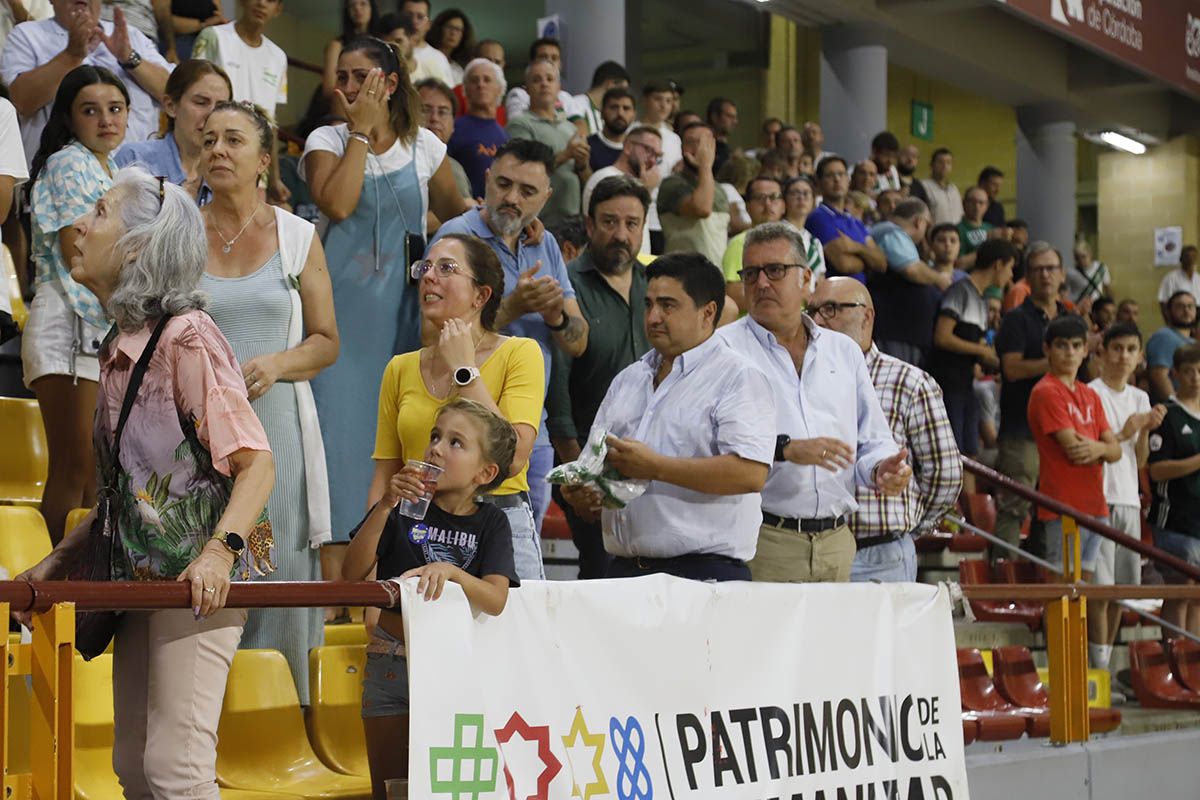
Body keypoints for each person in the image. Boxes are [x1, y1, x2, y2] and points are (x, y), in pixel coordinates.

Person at [15, 165, 275, 798]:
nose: (80, 224)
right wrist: (55, 562)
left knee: (174, 768)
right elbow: (123, 496)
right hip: (139, 578)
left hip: (201, 579)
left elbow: (256, 463)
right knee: (133, 765)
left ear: (136, 248)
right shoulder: (118, 345)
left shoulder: (187, 337)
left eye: (99, 212)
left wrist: (220, 553)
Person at [301, 35, 471, 562]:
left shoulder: (425, 146)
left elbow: (458, 214)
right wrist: (359, 134)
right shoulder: (326, 139)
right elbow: (338, 202)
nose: (346, 86)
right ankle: (329, 591)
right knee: (336, 447)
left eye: (360, 77)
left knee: (393, 445)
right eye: (343, 77)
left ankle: (381, 582)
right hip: (336, 322)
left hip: (399, 321)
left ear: (390, 83)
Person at [198, 100, 338, 702]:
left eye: (233, 140)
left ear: (264, 159)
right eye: (208, 140)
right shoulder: (177, 229)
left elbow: (328, 342)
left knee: (275, 580)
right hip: (194, 438)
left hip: (275, 432)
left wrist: (279, 363)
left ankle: (284, 727)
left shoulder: (298, 235)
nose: (218, 150)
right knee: (203, 584)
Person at [716, 223, 910, 583]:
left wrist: (881, 467)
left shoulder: (844, 351)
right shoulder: (722, 350)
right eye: (751, 273)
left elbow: (871, 439)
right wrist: (786, 449)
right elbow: (712, 447)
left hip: (838, 540)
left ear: (806, 278)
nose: (761, 283)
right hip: (764, 538)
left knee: (835, 642)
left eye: (775, 271)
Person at [344, 398, 517, 798]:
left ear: (484, 472)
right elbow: (351, 574)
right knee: (392, 789)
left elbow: (495, 598)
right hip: (390, 663)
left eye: (456, 443)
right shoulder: (402, 509)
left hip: (455, 669)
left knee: (447, 788)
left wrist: (453, 573)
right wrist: (385, 504)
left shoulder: (493, 522)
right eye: (435, 436)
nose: (436, 447)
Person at [430, 138, 588, 541]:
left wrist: (554, 314)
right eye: (503, 185)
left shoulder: (545, 243)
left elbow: (578, 340)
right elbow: (434, 333)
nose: (512, 199)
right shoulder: (457, 239)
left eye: (528, 191)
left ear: (546, 197)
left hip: (532, 429)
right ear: (487, 179)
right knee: (459, 551)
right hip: (465, 428)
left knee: (520, 568)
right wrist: (514, 306)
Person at [587, 252, 774, 581]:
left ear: (708, 312)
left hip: (704, 574)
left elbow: (749, 473)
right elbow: (595, 462)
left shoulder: (738, 377)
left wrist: (655, 467)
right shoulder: (629, 379)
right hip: (623, 570)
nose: (654, 316)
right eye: (648, 304)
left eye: (668, 305)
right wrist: (587, 489)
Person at [372, 235, 545, 581]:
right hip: (418, 528)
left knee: (512, 634)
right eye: (425, 267)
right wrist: (374, 570)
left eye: (446, 268)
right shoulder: (400, 368)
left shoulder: (520, 353)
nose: (429, 277)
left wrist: (464, 371)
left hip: (500, 524)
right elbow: (384, 479)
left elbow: (512, 458)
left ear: (481, 295)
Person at [23, 66, 129, 544]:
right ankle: (43, 600)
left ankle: (77, 602)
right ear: (69, 118)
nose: (106, 120)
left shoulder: (113, 167)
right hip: (66, 323)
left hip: (97, 327)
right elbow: (77, 255)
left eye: (116, 109)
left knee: (92, 479)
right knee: (73, 470)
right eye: (91, 110)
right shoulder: (69, 162)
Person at [810, 277, 962, 583]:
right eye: (812, 310)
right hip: (815, 550)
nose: (815, 321)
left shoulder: (909, 382)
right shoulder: (800, 378)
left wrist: (908, 526)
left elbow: (946, 473)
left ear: (866, 316)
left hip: (879, 555)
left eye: (830, 309)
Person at [550, 175, 651, 579]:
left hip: (655, 472)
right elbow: (557, 399)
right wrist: (579, 480)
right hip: (589, 472)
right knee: (603, 578)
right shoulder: (568, 286)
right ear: (589, 226)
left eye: (631, 224)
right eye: (609, 222)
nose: (621, 234)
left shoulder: (656, 288)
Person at [1027, 315, 1121, 651]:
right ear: (1047, 350)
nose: (1069, 352)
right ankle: (1058, 663)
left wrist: (1100, 448)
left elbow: (1114, 451)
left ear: (1086, 352)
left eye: (1076, 346)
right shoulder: (1045, 391)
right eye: (1062, 346)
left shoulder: (1089, 395)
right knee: (1063, 589)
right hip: (1062, 507)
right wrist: (1102, 448)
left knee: (1084, 590)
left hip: (1096, 507)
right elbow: (1074, 449)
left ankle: (1079, 664)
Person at [2, 0, 171, 167]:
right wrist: (71, 56)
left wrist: (130, 58)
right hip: (60, 178)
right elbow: (21, 101)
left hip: (137, 176)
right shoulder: (27, 35)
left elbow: (174, 95)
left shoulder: (131, 36)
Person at [1089, 322, 1166, 667]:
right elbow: (1102, 447)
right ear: (1102, 352)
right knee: (1101, 591)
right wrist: (1126, 430)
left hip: (1128, 498)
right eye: (1117, 348)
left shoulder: (1140, 398)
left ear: (1139, 357)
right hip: (1098, 497)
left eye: (1131, 350)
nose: (1123, 356)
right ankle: (1097, 670)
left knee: (1122, 591)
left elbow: (1140, 461)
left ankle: (1106, 667)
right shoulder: (1091, 392)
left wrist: (1144, 433)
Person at [992, 242, 1067, 557]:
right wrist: (1059, 362)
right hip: (1021, 430)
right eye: (1038, 269)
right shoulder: (1015, 319)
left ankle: (1047, 585)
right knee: (1013, 508)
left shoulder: (1069, 317)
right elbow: (1011, 368)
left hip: (1063, 430)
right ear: (1027, 277)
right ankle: (1000, 584)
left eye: (1051, 268)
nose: (1045, 275)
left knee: (1054, 512)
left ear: (1062, 275)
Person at [928, 239, 1015, 472]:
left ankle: (970, 508)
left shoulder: (981, 300)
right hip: (948, 383)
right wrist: (981, 350)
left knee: (970, 455)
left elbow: (979, 350)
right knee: (952, 456)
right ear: (998, 265)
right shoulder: (960, 291)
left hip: (966, 384)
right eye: (1010, 268)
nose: (1010, 275)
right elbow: (942, 337)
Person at [1148, 344, 1200, 636]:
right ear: (1176, 374)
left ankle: (1193, 665)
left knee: (1197, 597)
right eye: (1189, 371)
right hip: (1176, 519)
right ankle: (1173, 657)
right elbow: (1156, 470)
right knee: (1180, 591)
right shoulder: (1166, 414)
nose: (1196, 377)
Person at [114, 58, 231, 187]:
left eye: (221, 107)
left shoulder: (228, 172)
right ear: (171, 106)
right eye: (200, 103)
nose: (211, 115)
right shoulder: (135, 159)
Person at [867, 197, 950, 367]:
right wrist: (940, 279)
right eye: (927, 225)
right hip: (895, 334)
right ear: (919, 222)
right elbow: (911, 269)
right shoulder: (889, 231)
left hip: (905, 335)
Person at [505, 58, 588, 227]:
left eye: (550, 79)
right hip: (538, 221)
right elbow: (521, 171)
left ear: (559, 87)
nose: (544, 84)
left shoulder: (571, 128)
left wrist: (582, 164)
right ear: (526, 89)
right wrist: (566, 155)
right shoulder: (520, 124)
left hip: (573, 220)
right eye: (537, 80)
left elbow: (585, 177)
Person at [192, 0, 285, 120]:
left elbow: (272, 117)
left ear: (278, 9)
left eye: (270, 0)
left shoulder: (279, 57)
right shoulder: (214, 36)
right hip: (217, 132)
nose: (262, 3)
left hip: (258, 136)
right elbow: (194, 92)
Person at [580, 124, 660, 256]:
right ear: (628, 146)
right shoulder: (604, 177)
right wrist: (645, 189)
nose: (652, 160)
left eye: (657, 155)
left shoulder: (642, 182)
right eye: (648, 150)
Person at [656, 121, 728, 265]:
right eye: (691, 142)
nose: (699, 148)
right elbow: (702, 208)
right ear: (681, 148)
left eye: (705, 142)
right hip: (681, 274)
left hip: (715, 275)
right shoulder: (671, 184)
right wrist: (705, 166)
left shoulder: (719, 188)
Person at [806, 155, 886, 283]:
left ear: (848, 180)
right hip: (837, 297)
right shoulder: (818, 217)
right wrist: (869, 261)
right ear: (819, 184)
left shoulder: (854, 220)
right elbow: (844, 264)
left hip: (861, 297)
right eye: (830, 175)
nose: (837, 179)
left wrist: (855, 247)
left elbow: (882, 263)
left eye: (841, 174)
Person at [721, 174, 785, 313]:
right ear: (748, 206)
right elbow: (734, 295)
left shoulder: (793, 242)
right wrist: (786, 297)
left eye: (774, 197)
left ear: (783, 205)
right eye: (759, 198)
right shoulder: (740, 243)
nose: (767, 203)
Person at [447, 56, 507, 198]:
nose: (481, 85)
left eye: (487, 80)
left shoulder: (505, 135)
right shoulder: (453, 128)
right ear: (465, 89)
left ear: (499, 88)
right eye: (474, 80)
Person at [415, 78, 470, 205]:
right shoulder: (398, 161)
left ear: (453, 125)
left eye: (443, 112)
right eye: (425, 110)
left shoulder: (453, 168)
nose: (434, 118)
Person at [502, 37, 574, 121]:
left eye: (554, 58)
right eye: (544, 57)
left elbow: (579, 127)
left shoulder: (566, 97)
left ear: (560, 64)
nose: (549, 62)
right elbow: (518, 124)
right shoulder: (518, 95)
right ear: (532, 63)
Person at [1146, 291, 1197, 405]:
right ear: (1168, 311)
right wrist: (1179, 409)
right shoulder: (1164, 336)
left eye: (1190, 306)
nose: (1186, 310)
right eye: (1180, 306)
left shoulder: (1193, 342)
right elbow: (1159, 376)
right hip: (1175, 412)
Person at [321, 0, 380, 97]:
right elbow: (329, 88)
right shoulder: (336, 45)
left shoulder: (382, 44)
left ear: (372, 8)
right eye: (352, 5)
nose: (357, 8)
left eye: (363, 3)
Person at [400, 0, 452, 86]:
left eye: (420, 17)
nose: (414, 21)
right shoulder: (389, 51)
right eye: (408, 16)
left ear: (428, 24)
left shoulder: (439, 59)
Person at [574, 60, 630, 136]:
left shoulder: (608, 114)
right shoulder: (575, 104)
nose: (623, 95)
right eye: (623, 90)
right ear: (610, 85)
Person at [587, 86, 636, 172]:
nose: (620, 113)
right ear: (602, 113)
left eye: (626, 108)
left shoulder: (637, 150)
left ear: (634, 116)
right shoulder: (587, 147)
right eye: (614, 107)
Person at [639, 79, 681, 174]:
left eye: (668, 101)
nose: (663, 105)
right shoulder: (629, 132)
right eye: (658, 99)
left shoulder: (675, 138)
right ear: (645, 101)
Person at [426, 7, 472, 86]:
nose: (453, 33)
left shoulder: (458, 70)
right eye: (449, 27)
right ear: (439, 28)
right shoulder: (426, 56)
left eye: (458, 29)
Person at [917, 147, 962, 226]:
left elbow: (960, 214)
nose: (944, 166)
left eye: (948, 162)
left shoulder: (954, 188)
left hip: (955, 235)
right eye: (940, 162)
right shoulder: (923, 186)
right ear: (931, 165)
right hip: (935, 235)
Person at [1157, 244, 1200, 323]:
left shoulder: (1198, 279)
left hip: (1196, 319)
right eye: (1187, 257)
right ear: (1181, 259)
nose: (1191, 260)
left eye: (1193, 257)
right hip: (1179, 319)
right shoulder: (1171, 278)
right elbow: (1163, 302)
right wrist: (1170, 323)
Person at [955, 186, 994, 269]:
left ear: (987, 206)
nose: (977, 206)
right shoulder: (956, 230)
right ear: (963, 203)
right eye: (972, 202)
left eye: (981, 202)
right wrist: (990, 247)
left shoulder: (990, 228)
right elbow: (958, 263)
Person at [1066, 237, 1110, 308]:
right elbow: (1065, 292)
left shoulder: (1101, 268)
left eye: (1083, 256)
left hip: (1097, 306)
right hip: (1078, 306)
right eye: (1077, 258)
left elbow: (1107, 288)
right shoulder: (1070, 272)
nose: (1081, 260)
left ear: (1090, 254)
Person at [704, 96, 737, 174]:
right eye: (729, 116)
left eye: (735, 117)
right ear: (714, 117)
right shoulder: (704, 145)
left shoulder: (727, 150)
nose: (735, 121)